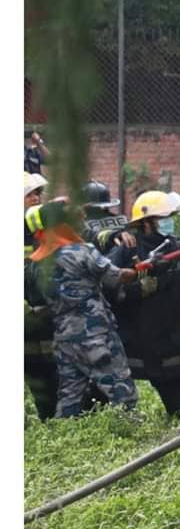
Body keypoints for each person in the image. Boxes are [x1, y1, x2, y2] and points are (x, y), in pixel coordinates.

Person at [101, 191, 180, 417]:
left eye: (170, 216)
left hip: (172, 341)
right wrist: (137, 289)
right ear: (146, 222)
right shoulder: (127, 249)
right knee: (110, 406)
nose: (169, 222)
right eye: (163, 217)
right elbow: (105, 284)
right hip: (135, 341)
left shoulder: (179, 247)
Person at [29, 200, 142, 418]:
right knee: (121, 388)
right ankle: (132, 432)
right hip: (95, 333)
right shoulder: (82, 251)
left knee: (70, 394)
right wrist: (141, 271)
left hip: (63, 335)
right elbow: (116, 278)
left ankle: (64, 436)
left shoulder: (38, 260)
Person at [24, 175, 60, 421]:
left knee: (48, 368)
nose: (36, 198)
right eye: (29, 194)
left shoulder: (43, 230)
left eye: (38, 193)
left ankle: (49, 417)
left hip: (44, 316)